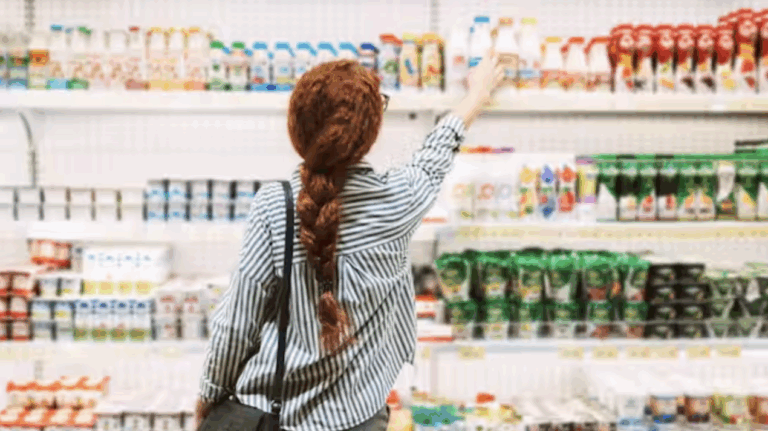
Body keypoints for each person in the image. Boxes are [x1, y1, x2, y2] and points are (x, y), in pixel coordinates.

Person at [196, 51, 504, 431]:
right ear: (370, 132)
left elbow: (237, 323)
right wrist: (476, 95)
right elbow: (436, 152)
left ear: (297, 130)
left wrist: (209, 394)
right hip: (358, 421)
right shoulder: (400, 201)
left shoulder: (274, 205)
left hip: (270, 417)